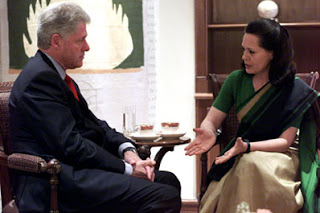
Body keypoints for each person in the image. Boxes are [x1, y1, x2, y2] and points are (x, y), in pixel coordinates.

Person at [9, 2, 181, 213]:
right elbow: (70, 145)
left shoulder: (54, 75)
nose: (87, 47)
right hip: (55, 181)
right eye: (81, 40)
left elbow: (94, 125)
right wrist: (127, 170)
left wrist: (127, 151)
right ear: (56, 41)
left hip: (76, 171)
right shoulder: (40, 79)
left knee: (167, 181)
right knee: (164, 195)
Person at [185, 18, 320, 213]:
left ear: (272, 54)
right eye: (243, 50)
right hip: (242, 153)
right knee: (245, 164)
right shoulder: (236, 80)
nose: (244, 57)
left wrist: (246, 147)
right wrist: (209, 130)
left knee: (249, 163)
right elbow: (212, 120)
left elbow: (284, 141)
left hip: (281, 155)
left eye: (252, 52)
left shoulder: (293, 89)